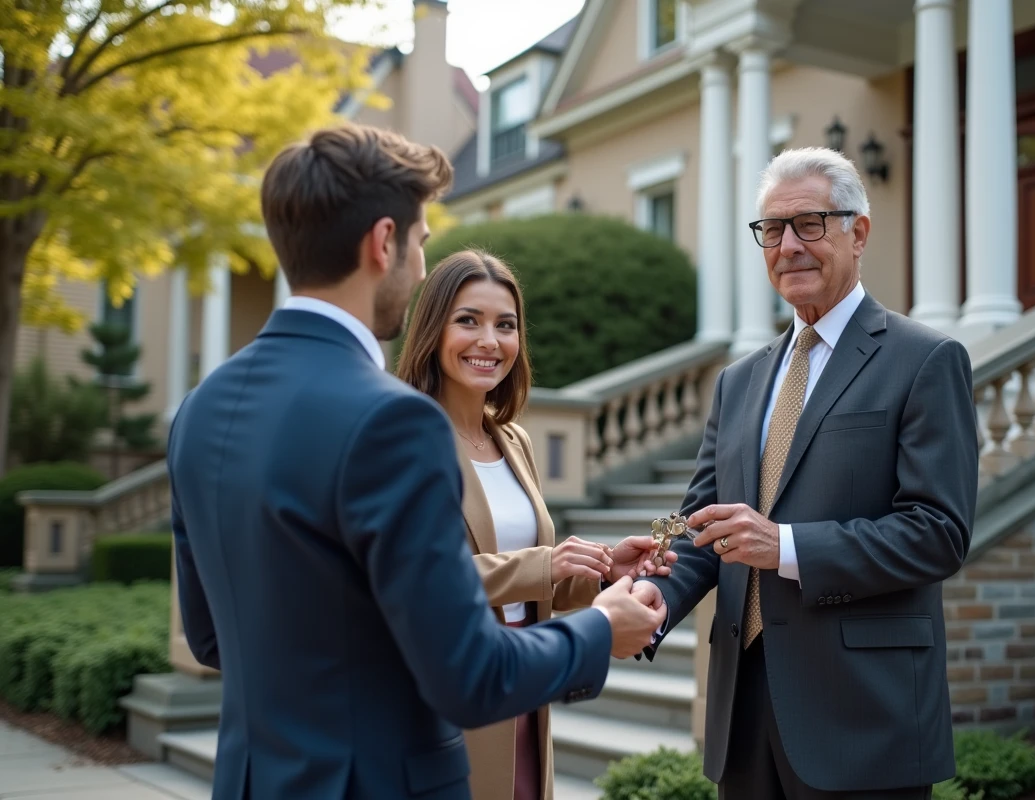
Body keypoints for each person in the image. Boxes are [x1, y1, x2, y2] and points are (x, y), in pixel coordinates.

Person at [166, 124, 667, 800]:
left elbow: (210, 639)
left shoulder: (200, 410)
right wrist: (602, 629)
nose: (423, 267)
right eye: (422, 243)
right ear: (383, 243)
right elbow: (471, 675)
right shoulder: (393, 420)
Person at [633, 146, 978, 800]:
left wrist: (786, 546)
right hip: (744, 708)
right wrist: (653, 580)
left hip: (864, 721)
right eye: (772, 229)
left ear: (860, 232)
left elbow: (938, 531)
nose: (788, 245)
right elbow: (696, 515)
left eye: (810, 224)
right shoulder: (738, 381)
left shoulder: (926, 360)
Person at [395, 248, 676, 800]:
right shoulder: (405, 437)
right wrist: (544, 564)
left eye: (506, 325)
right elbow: (415, 581)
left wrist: (599, 573)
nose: (489, 342)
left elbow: (530, 584)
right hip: (452, 682)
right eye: (468, 321)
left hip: (529, 675)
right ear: (433, 329)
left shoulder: (515, 440)